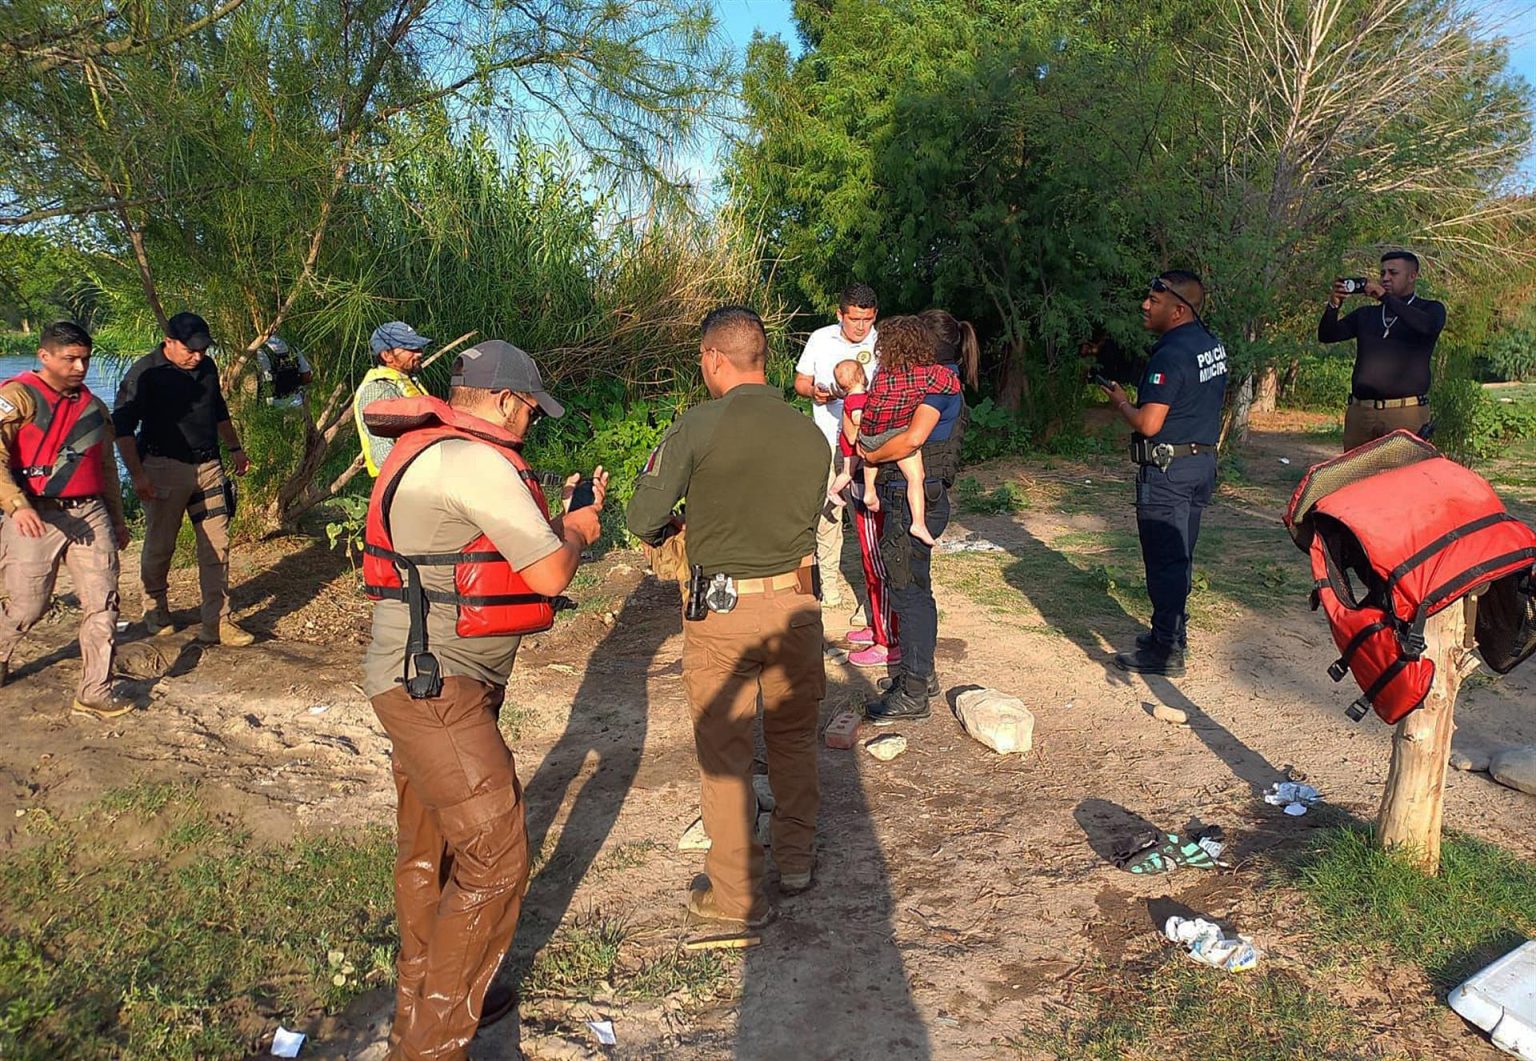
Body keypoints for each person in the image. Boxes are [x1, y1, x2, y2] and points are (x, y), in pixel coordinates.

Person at [359, 339, 606, 1058]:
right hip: (436, 687)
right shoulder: (474, 460)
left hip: (419, 676)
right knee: (496, 856)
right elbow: (552, 572)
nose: (531, 422)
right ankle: (430, 1044)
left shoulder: (435, 449)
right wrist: (581, 526)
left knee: (428, 850)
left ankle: (434, 990)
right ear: (502, 400)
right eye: (530, 408)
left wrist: (558, 517)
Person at [627, 306, 829, 928]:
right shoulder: (811, 434)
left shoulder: (699, 425)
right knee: (794, 740)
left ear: (715, 358)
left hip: (724, 611)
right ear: (763, 359)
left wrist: (684, 524)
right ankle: (795, 861)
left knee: (726, 751)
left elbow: (641, 518)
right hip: (797, 605)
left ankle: (737, 897)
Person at [0, 322, 132, 718]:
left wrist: (118, 518)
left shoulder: (93, 405)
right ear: (44, 356)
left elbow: (106, 466)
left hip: (89, 512)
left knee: (103, 601)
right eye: (69, 358)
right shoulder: (17, 396)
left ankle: (95, 689)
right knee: (27, 606)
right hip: (36, 514)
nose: (79, 367)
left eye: (85, 359)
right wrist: (16, 504)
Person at [1100, 271, 1228, 676]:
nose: (1145, 305)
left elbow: (1150, 423)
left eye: (1153, 301)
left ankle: (1166, 650)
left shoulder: (1169, 354)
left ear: (1178, 310)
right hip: (1200, 462)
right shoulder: (1211, 345)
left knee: (1164, 561)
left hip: (1169, 470)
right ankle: (1170, 632)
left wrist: (1121, 403)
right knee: (1181, 555)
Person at [113, 312, 255, 646]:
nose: (198, 356)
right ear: (170, 342)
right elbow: (122, 428)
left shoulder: (206, 368)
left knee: (217, 546)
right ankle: (156, 609)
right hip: (163, 468)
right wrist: (137, 476)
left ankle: (217, 622)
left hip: (209, 468)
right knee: (162, 544)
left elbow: (218, 409)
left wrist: (235, 449)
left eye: (203, 349)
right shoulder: (145, 373)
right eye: (191, 349)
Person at [859, 311, 974, 721]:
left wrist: (869, 455)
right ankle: (919, 675)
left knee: (908, 592)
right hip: (914, 494)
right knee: (912, 589)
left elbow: (913, 439)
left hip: (911, 498)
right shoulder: (937, 379)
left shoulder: (937, 385)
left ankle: (913, 691)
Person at [794, 283, 878, 615]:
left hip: (872, 445)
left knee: (870, 517)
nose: (861, 327)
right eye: (855, 319)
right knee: (828, 517)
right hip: (828, 440)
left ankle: (872, 599)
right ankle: (828, 586)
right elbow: (800, 381)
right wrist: (814, 391)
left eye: (868, 320)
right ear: (839, 313)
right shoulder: (820, 338)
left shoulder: (883, 343)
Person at [1318, 250, 1446, 450]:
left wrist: (1385, 297)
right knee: (1356, 477)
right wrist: (1334, 305)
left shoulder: (1430, 309)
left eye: (1393, 273)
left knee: (1403, 478)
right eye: (1382, 273)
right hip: (1362, 412)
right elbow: (1327, 335)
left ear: (1412, 276)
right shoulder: (1367, 315)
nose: (1385, 278)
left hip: (1405, 412)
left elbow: (1427, 326)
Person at [857, 322, 961, 548]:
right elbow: (951, 383)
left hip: (867, 433)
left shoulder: (882, 373)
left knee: (871, 453)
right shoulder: (925, 374)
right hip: (895, 434)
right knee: (916, 476)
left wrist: (869, 454)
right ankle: (918, 523)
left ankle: (870, 491)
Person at [355, 321, 431, 476]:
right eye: (410, 348)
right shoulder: (378, 390)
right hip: (405, 484)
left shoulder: (406, 381)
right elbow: (382, 455)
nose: (419, 353)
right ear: (387, 355)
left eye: (418, 347)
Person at [255, 334, 313, 409]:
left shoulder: (259, 350)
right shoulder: (290, 347)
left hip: (272, 406)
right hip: (296, 403)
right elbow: (307, 376)